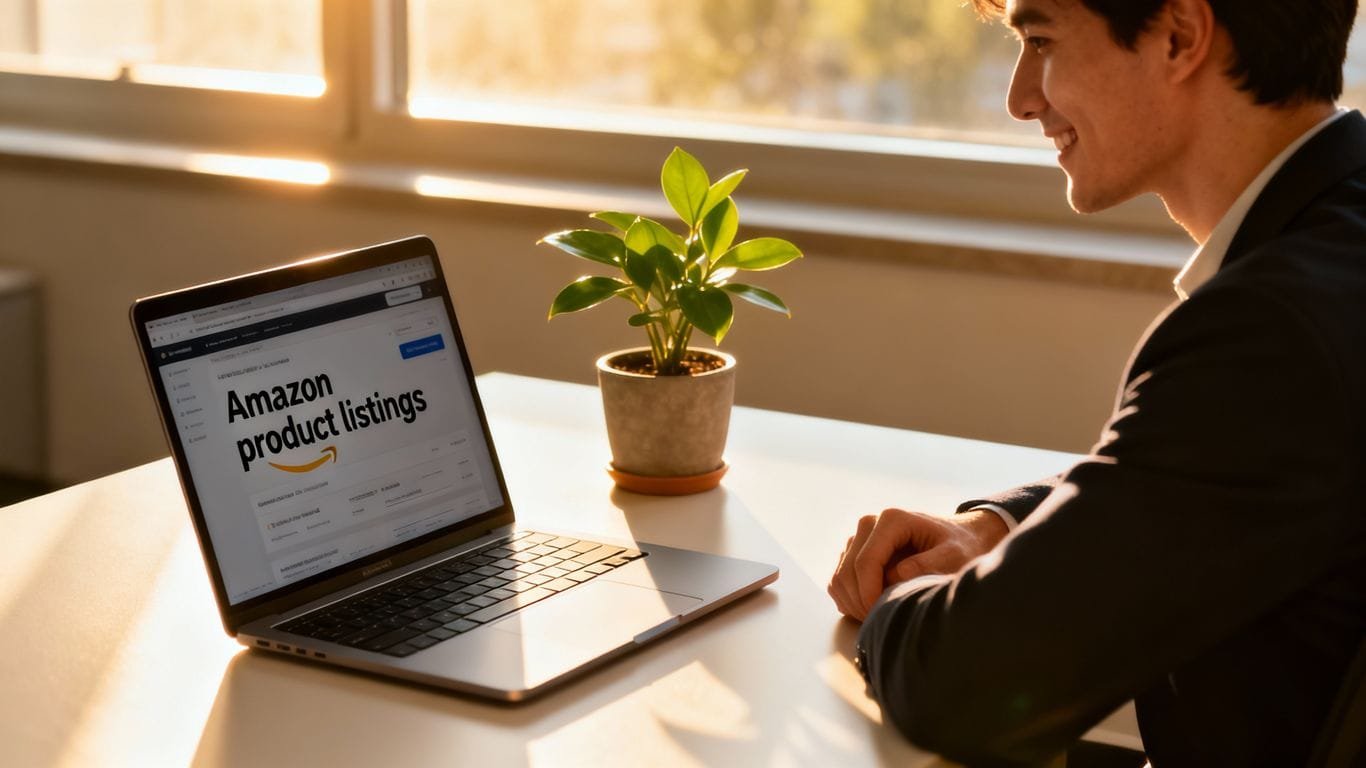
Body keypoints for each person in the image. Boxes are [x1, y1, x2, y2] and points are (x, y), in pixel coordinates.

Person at [827, 0, 1366, 765]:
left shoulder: (1268, 332)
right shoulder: (1335, 253)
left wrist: (894, 603)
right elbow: (1195, 474)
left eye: (1041, 41)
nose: (1020, 97)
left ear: (1179, 36)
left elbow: (961, 685)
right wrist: (998, 531)